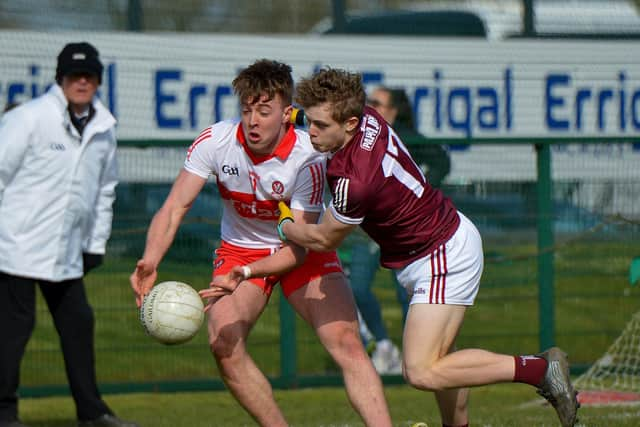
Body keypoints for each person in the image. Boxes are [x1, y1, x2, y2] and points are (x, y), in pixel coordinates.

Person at [214, 68, 580, 427]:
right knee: (442, 361)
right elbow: (312, 115)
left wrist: (285, 225)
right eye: (308, 121)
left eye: (320, 127)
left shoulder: (354, 180)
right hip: (433, 246)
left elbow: (324, 238)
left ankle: (540, 369)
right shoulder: (364, 115)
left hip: (440, 254)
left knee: (420, 370)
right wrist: (286, 113)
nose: (310, 132)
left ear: (350, 124)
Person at [131, 59, 392, 427]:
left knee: (347, 342)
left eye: (264, 111)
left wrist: (248, 271)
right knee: (224, 346)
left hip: (302, 253)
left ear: (287, 113)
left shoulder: (309, 156)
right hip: (239, 250)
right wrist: (150, 260)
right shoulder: (216, 141)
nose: (253, 120)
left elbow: (298, 247)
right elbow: (175, 207)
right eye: (247, 109)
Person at [0, 42, 137, 427]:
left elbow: (104, 192)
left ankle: (92, 413)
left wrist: (94, 244)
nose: (82, 81)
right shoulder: (28, 119)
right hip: (15, 245)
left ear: (97, 81)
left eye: (89, 75)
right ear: (60, 78)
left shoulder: (104, 128)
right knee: (14, 328)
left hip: (65, 250)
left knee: (78, 322)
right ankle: (4, 412)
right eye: (74, 75)